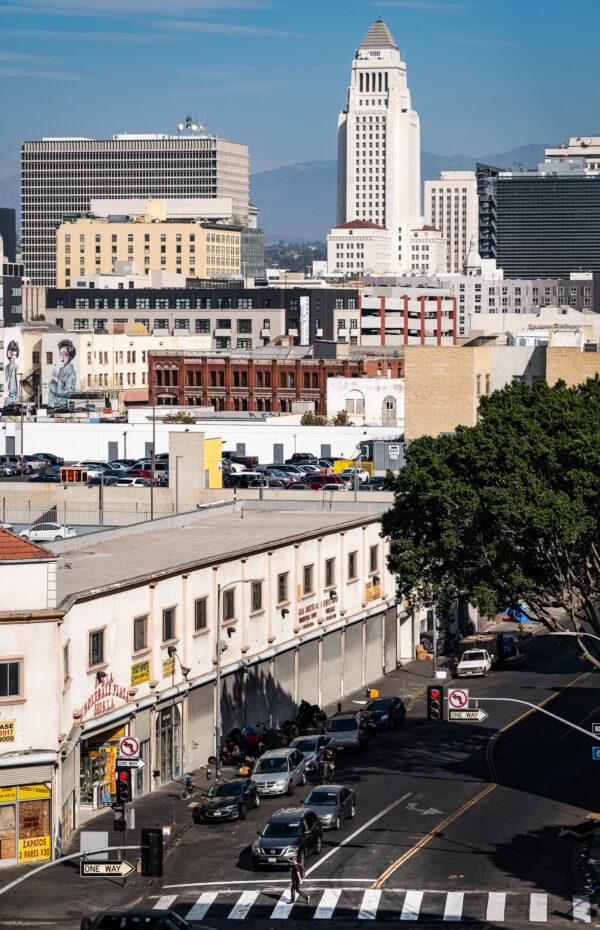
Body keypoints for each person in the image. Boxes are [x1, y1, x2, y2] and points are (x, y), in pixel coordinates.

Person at [47, 339, 77, 409]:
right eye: (61, 354)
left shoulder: (71, 372)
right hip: (55, 404)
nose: (62, 357)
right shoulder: (61, 370)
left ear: (70, 356)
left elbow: (67, 392)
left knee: (51, 383)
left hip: (63, 405)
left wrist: (52, 384)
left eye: (65, 354)